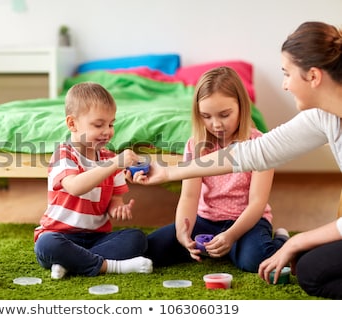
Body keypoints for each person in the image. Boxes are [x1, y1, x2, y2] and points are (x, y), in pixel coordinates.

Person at [129, 21, 342, 299]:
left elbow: (254, 161)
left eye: (287, 74)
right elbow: (255, 153)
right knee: (310, 269)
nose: (284, 85)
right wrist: (168, 172)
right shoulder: (324, 116)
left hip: (246, 225)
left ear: (313, 76)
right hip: (208, 221)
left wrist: (298, 240)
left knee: (288, 260)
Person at [145, 66, 288, 273]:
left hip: (247, 222)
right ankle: (222, 249)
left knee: (254, 260)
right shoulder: (196, 145)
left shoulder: (259, 144)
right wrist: (182, 233)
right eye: (206, 116)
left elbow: (258, 202)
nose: (216, 124)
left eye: (224, 114)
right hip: (206, 221)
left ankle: (281, 240)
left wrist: (231, 236)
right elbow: (189, 197)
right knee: (152, 248)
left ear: (241, 106)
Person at [33, 82, 153, 279]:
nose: (107, 131)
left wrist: (118, 210)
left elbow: (114, 203)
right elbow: (75, 186)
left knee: (136, 238)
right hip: (61, 235)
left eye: (111, 124)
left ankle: (72, 263)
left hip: (97, 239)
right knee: (47, 244)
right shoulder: (64, 155)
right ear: (72, 124)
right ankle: (112, 266)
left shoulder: (110, 159)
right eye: (99, 125)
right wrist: (116, 163)